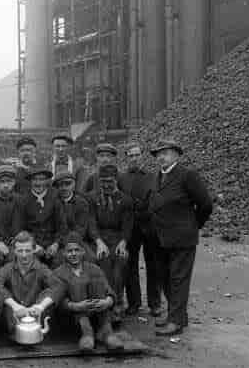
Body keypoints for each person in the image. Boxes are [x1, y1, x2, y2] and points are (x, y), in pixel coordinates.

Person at [148, 139, 212, 336]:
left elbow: (206, 204)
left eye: (165, 153)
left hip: (182, 238)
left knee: (178, 279)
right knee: (165, 277)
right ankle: (176, 316)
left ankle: (175, 322)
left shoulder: (187, 175)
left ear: (177, 154)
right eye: (158, 154)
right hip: (161, 238)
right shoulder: (158, 176)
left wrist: (193, 226)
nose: (160, 157)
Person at [53, 231, 124, 351]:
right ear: (64, 253)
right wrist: (75, 306)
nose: (73, 254)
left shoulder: (94, 269)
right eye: (69, 251)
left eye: (77, 250)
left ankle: (106, 331)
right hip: (73, 321)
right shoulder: (58, 273)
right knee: (76, 283)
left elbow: (109, 291)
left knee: (96, 281)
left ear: (83, 251)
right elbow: (58, 301)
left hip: (97, 316)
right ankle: (86, 333)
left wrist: (107, 302)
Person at [86, 164, 133, 323]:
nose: (106, 185)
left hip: (117, 238)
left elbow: (127, 225)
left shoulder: (125, 200)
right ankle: (105, 303)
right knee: (103, 260)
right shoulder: (92, 198)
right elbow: (91, 223)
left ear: (116, 180)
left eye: (110, 181)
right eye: (103, 181)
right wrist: (98, 242)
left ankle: (118, 302)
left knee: (120, 261)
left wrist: (124, 242)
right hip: (99, 239)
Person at [120, 143, 160, 316]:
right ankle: (134, 303)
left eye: (137, 155)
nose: (134, 158)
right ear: (126, 158)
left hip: (150, 227)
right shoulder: (121, 178)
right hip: (131, 227)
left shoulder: (152, 177)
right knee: (130, 265)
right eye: (131, 155)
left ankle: (154, 303)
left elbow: (157, 200)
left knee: (153, 265)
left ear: (142, 156)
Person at [0, 231, 59, 338]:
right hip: (15, 315)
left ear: (34, 250)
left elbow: (58, 286)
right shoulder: (8, 268)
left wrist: (40, 306)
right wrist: (15, 306)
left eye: (27, 250)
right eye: (20, 251)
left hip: (36, 315)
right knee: (1, 293)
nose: (24, 255)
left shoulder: (41, 268)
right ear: (14, 251)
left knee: (48, 291)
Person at [21, 166, 67, 266]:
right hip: (33, 242)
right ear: (30, 181)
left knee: (60, 261)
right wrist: (34, 246)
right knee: (31, 263)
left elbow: (62, 225)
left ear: (47, 181)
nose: (38, 183)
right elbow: (21, 228)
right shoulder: (23, 200)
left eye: (42, 179)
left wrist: (56, 244)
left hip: (52, 240)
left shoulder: (55, 197)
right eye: (35, 179)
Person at [52, 171, 98, 266]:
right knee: (56, 262)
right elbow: (54, 227)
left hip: (77, 241)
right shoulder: (54, 202)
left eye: (68, 184)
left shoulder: (81, 203)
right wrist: (56, 243)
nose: (64, 188)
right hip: (57, 241)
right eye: (60, 185)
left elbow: (81, 229)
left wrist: (66, 244)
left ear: (74, 184)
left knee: (91, 259)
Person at [0, 165, 23, 271]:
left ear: (14, 182)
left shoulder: (19, 200)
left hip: (15, 240)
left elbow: (24, 224)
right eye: (2, 182)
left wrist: (17, 238)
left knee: (15, 257)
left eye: (9, 181)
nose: (6, 185)